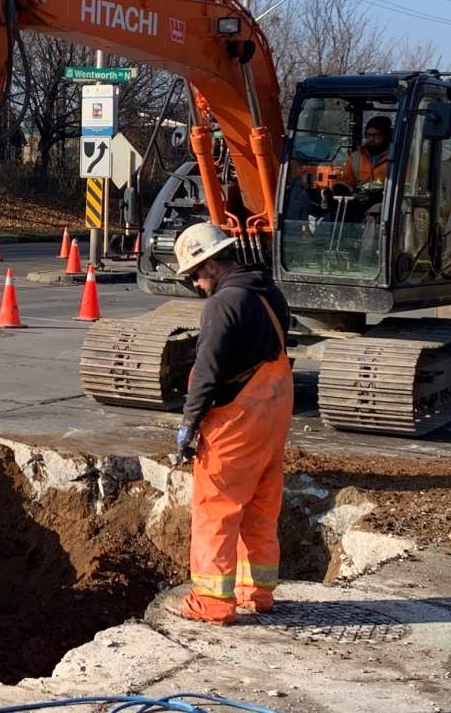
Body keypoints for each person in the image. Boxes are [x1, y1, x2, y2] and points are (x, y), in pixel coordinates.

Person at [171, 222, 293, 625]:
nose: (195, 284)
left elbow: (207, 370)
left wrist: (190, 424)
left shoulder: (224, 304)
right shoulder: (268, 292)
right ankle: (257, 593)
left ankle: (212, 602)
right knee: (260, 503)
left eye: (194, 275)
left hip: (237, 419)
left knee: (217, 506)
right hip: (271, 414)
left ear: (210, 264)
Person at [337, 115, 392, 188]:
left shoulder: (397, 158)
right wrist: (341, 189)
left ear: (386, 136)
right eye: (368, 135)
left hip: (388, 198)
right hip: (360, 198)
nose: (371, 139)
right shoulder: (356, 157)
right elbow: (346, 180)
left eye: (376, 135)